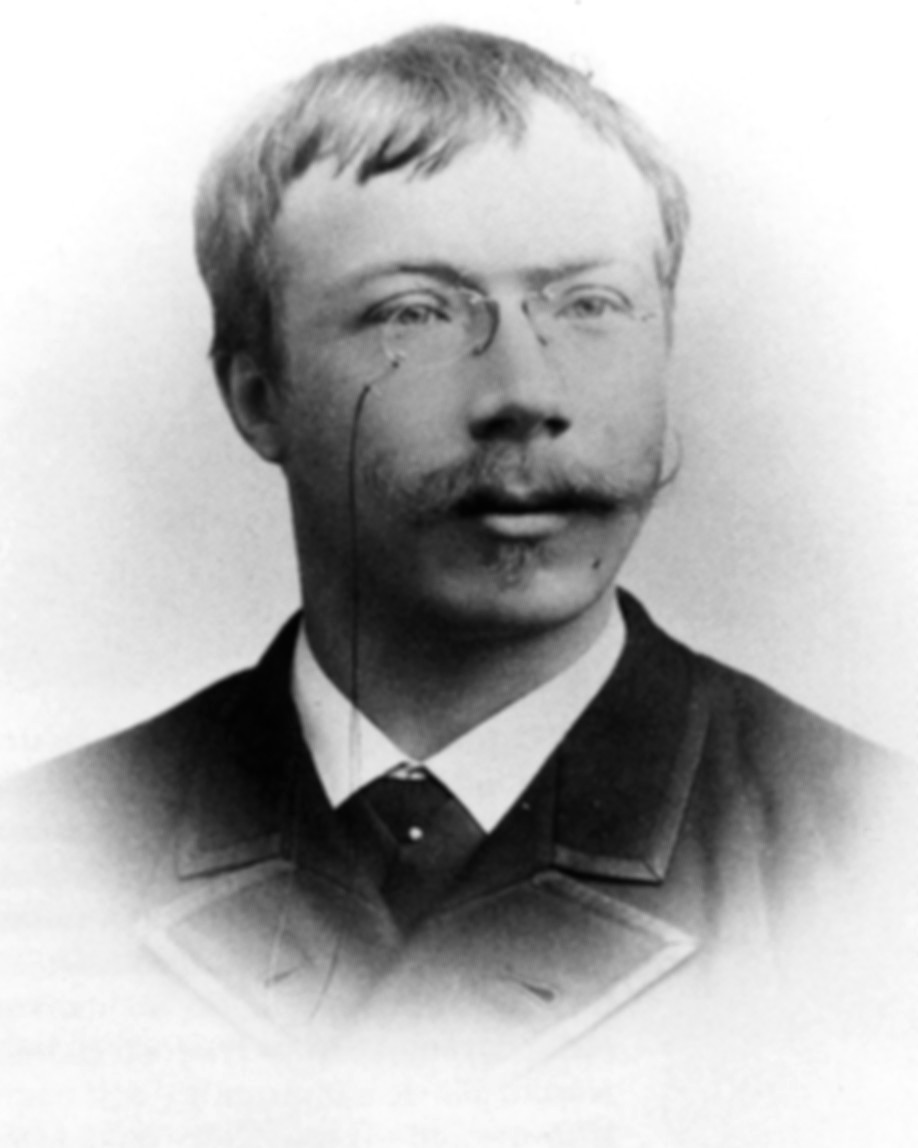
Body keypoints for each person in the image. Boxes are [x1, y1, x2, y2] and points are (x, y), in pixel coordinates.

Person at [3, 23, 915, 1147]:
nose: (525, 392)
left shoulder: (878, 861)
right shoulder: (41, 861)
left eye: (590, 304)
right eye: (415, 313)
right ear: (258, 396)